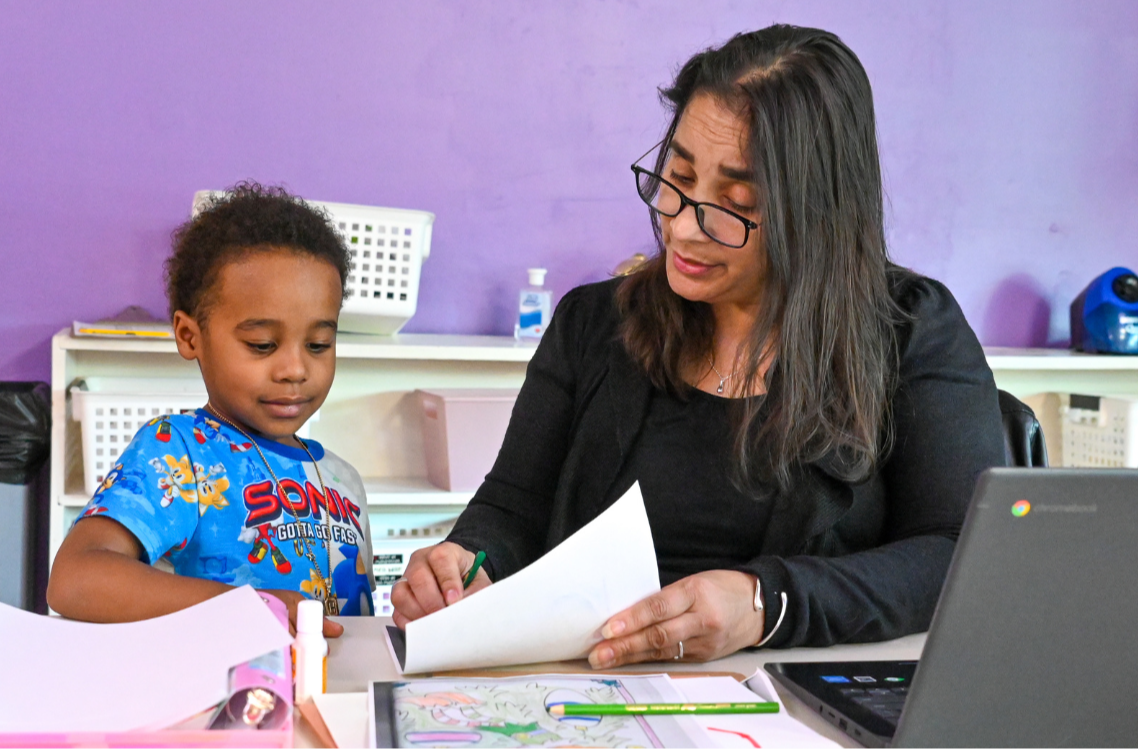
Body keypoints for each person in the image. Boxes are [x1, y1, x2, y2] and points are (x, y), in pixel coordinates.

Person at [391, 25, 1006, 666]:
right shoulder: (592, 325)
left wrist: (766, 603)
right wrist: (464, 564)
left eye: (734, 204)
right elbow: (513, 507)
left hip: (796, 702)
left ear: (817, 214)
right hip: (591, 693)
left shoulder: (909, 330)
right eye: (677, 177)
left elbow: (959, 550)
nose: (682, 227)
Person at [48, 183, 374, 635]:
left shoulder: (343, 479)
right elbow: (75, 580)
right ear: (189, 336)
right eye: (262, 345)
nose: (296, 369)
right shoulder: (181, 451)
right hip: (226, 698)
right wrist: (253, 608)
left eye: (319, 344)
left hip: (332, 701)